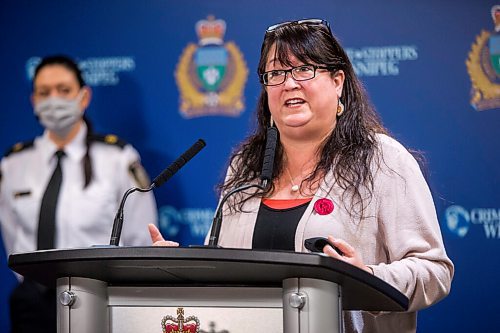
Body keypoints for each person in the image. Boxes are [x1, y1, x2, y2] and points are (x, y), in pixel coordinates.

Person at [149, 18, 453, 332]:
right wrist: (181, 271)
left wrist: (368, 278)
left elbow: (434, 271)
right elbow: (226, 269)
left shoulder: (383, 160)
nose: (289, 84)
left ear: (338, 81)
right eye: (276, 73)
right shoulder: (246, 165)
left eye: (304, 69)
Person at [0, 55, 158, 333]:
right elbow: (12, 235)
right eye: (44, 92)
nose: (54, 100)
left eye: (64, 90)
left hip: (99, 299)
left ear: (84, 97)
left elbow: (139, 236)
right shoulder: (13, 164)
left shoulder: (117, 158)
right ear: (33, 101)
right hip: (32, 304)